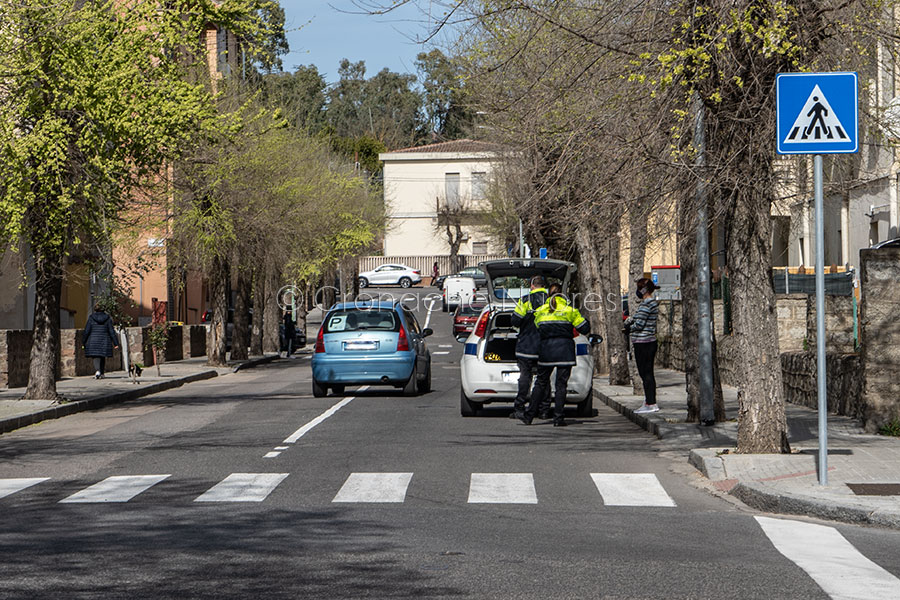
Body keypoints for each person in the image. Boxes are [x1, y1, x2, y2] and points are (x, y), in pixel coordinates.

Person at [520, 283, 590, 427]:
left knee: (540, 383)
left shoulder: (540, 311)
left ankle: (529, 415)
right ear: (562, 294)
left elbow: (539, 328)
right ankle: (558, 418)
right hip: (565, 352)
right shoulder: (569, 310)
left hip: (546, 351)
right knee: (561, 385)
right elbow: (584, 328)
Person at [509, 275, 549, 420]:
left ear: (532, 286)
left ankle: (519, 407)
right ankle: (544, 409)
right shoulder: (552, 301)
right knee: (544, 378)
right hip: (545, 346)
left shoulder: (525, 300)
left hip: (526, 346)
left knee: (525, 377)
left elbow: (515, 320)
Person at [625, 278, 659, 413]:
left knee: (646, 373)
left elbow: (639, 324)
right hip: (647, 341)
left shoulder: (647, 304)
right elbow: (638, 319)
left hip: (644, 343)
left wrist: (628, 327)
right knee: (646, 373)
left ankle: (651, 403)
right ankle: (648, 401)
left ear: (643, 290)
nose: (637, 292)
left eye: (639, 288)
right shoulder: (649, 304)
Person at [83, 304, 119, 379]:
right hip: (104, 340)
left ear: (95, 310)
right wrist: (115, 343)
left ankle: (97, 371)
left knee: (95, 355)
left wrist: (84, 341)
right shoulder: (107, 318)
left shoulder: (91, 318)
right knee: (102, 356)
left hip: (93, 340)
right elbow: (111, 331)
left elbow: (87, 331)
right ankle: (101, 373)